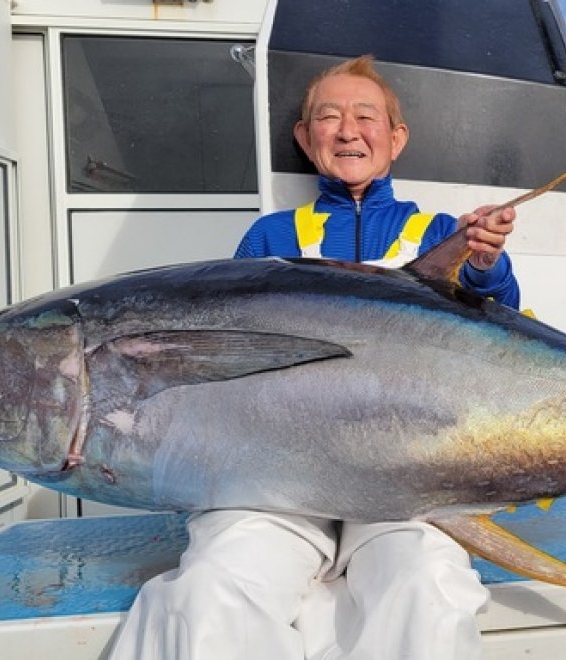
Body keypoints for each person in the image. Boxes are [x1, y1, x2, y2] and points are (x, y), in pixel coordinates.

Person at [110, 55, 520, 660]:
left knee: (427, 587)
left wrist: (487, 266)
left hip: (403, 483)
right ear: (306, 138)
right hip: (274, 486)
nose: (348, 130)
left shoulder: (437, 234)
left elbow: (499, 330)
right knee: (212, 590)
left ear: (395, 138)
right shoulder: (269, 238)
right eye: (328, 117)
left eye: (365, 116)